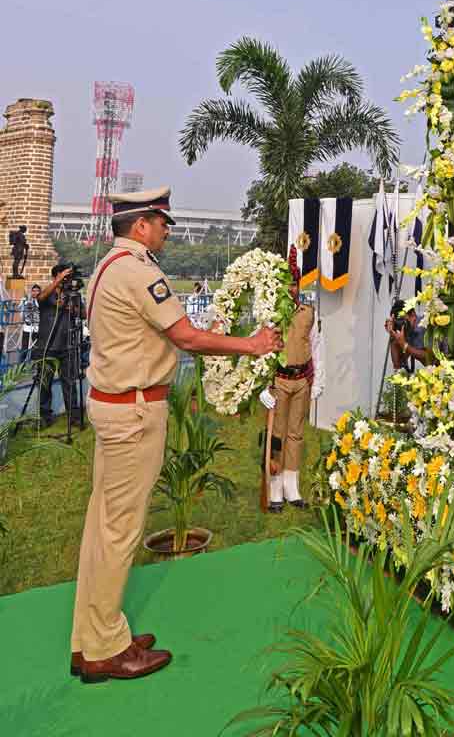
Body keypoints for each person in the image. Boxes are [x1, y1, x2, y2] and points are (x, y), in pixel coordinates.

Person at [70, 186, 281, 684]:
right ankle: (104, 648)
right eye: (162, 221)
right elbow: (185, 336)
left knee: (101, 528)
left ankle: (94, 635)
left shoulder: (107, 268)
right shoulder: (139, 271)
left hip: (112, 408)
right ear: (141, 224)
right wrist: (250, 346)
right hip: (134, 413)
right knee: (119, 532)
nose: (167, 229)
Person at [263, 281, 323, 512]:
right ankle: (275, 487)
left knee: (296, 433)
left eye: (294, 285)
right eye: (286, 284)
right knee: (277, 435)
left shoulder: (309, 313)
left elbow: (317, 346)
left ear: (299, 287)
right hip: (279, 380)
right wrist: (262, 387)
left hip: (301, 380)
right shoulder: (273, 313)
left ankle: (291, 486)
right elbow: (261, 348)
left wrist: (318, 380)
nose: (291, 289)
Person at [33, 264, 82, 427]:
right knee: (44, 384)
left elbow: (83, 314)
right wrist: (58, 281)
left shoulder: (72, 295)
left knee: (69, 383)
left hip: (67, 346)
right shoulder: (48, 294)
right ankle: (45, 417)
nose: (67, 279)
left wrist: (74, 304)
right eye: (64, 276)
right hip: (46, 347)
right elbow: (39, 298)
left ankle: (73, 416)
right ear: (56, 276)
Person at [20, 284, 40, 361]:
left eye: (37, 291)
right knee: (24, 348)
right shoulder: (26, 300)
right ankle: (21, 366)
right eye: (34, 291)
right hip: (27, 327)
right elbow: (21, 311)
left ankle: (33, 366)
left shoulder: (41, 301)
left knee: (35, 348)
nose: (35, 293)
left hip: (37, 328)